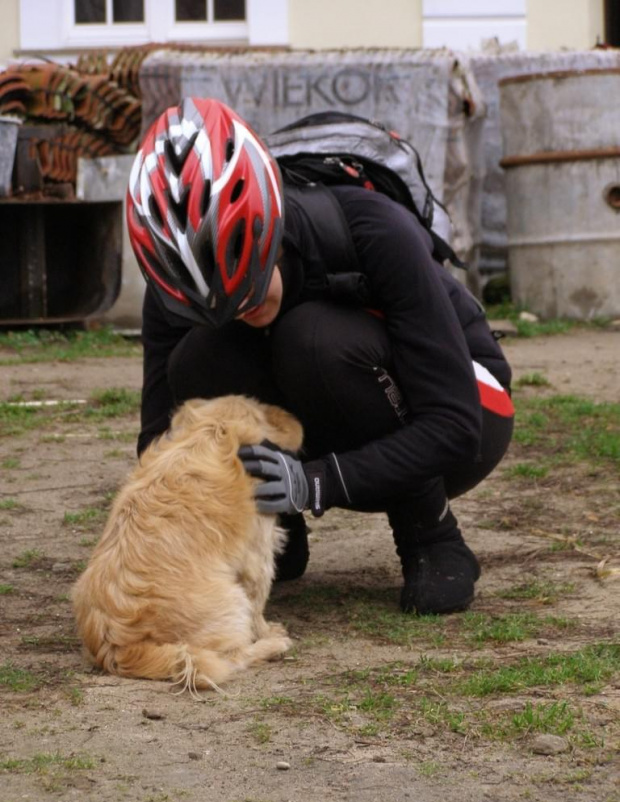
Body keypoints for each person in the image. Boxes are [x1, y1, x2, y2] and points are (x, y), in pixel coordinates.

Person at [127, 97, 514, 616]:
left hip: (468, 407)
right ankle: (275, 532)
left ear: (272, 230)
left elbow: (454, 425)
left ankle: (430, 534)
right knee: (198, 359)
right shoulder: (175, 285)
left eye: (252, 287)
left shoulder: (374, 229)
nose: (241, 310)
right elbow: (159, 440)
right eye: (220, 305)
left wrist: (313, 483)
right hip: (334, 408)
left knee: (312, 339)